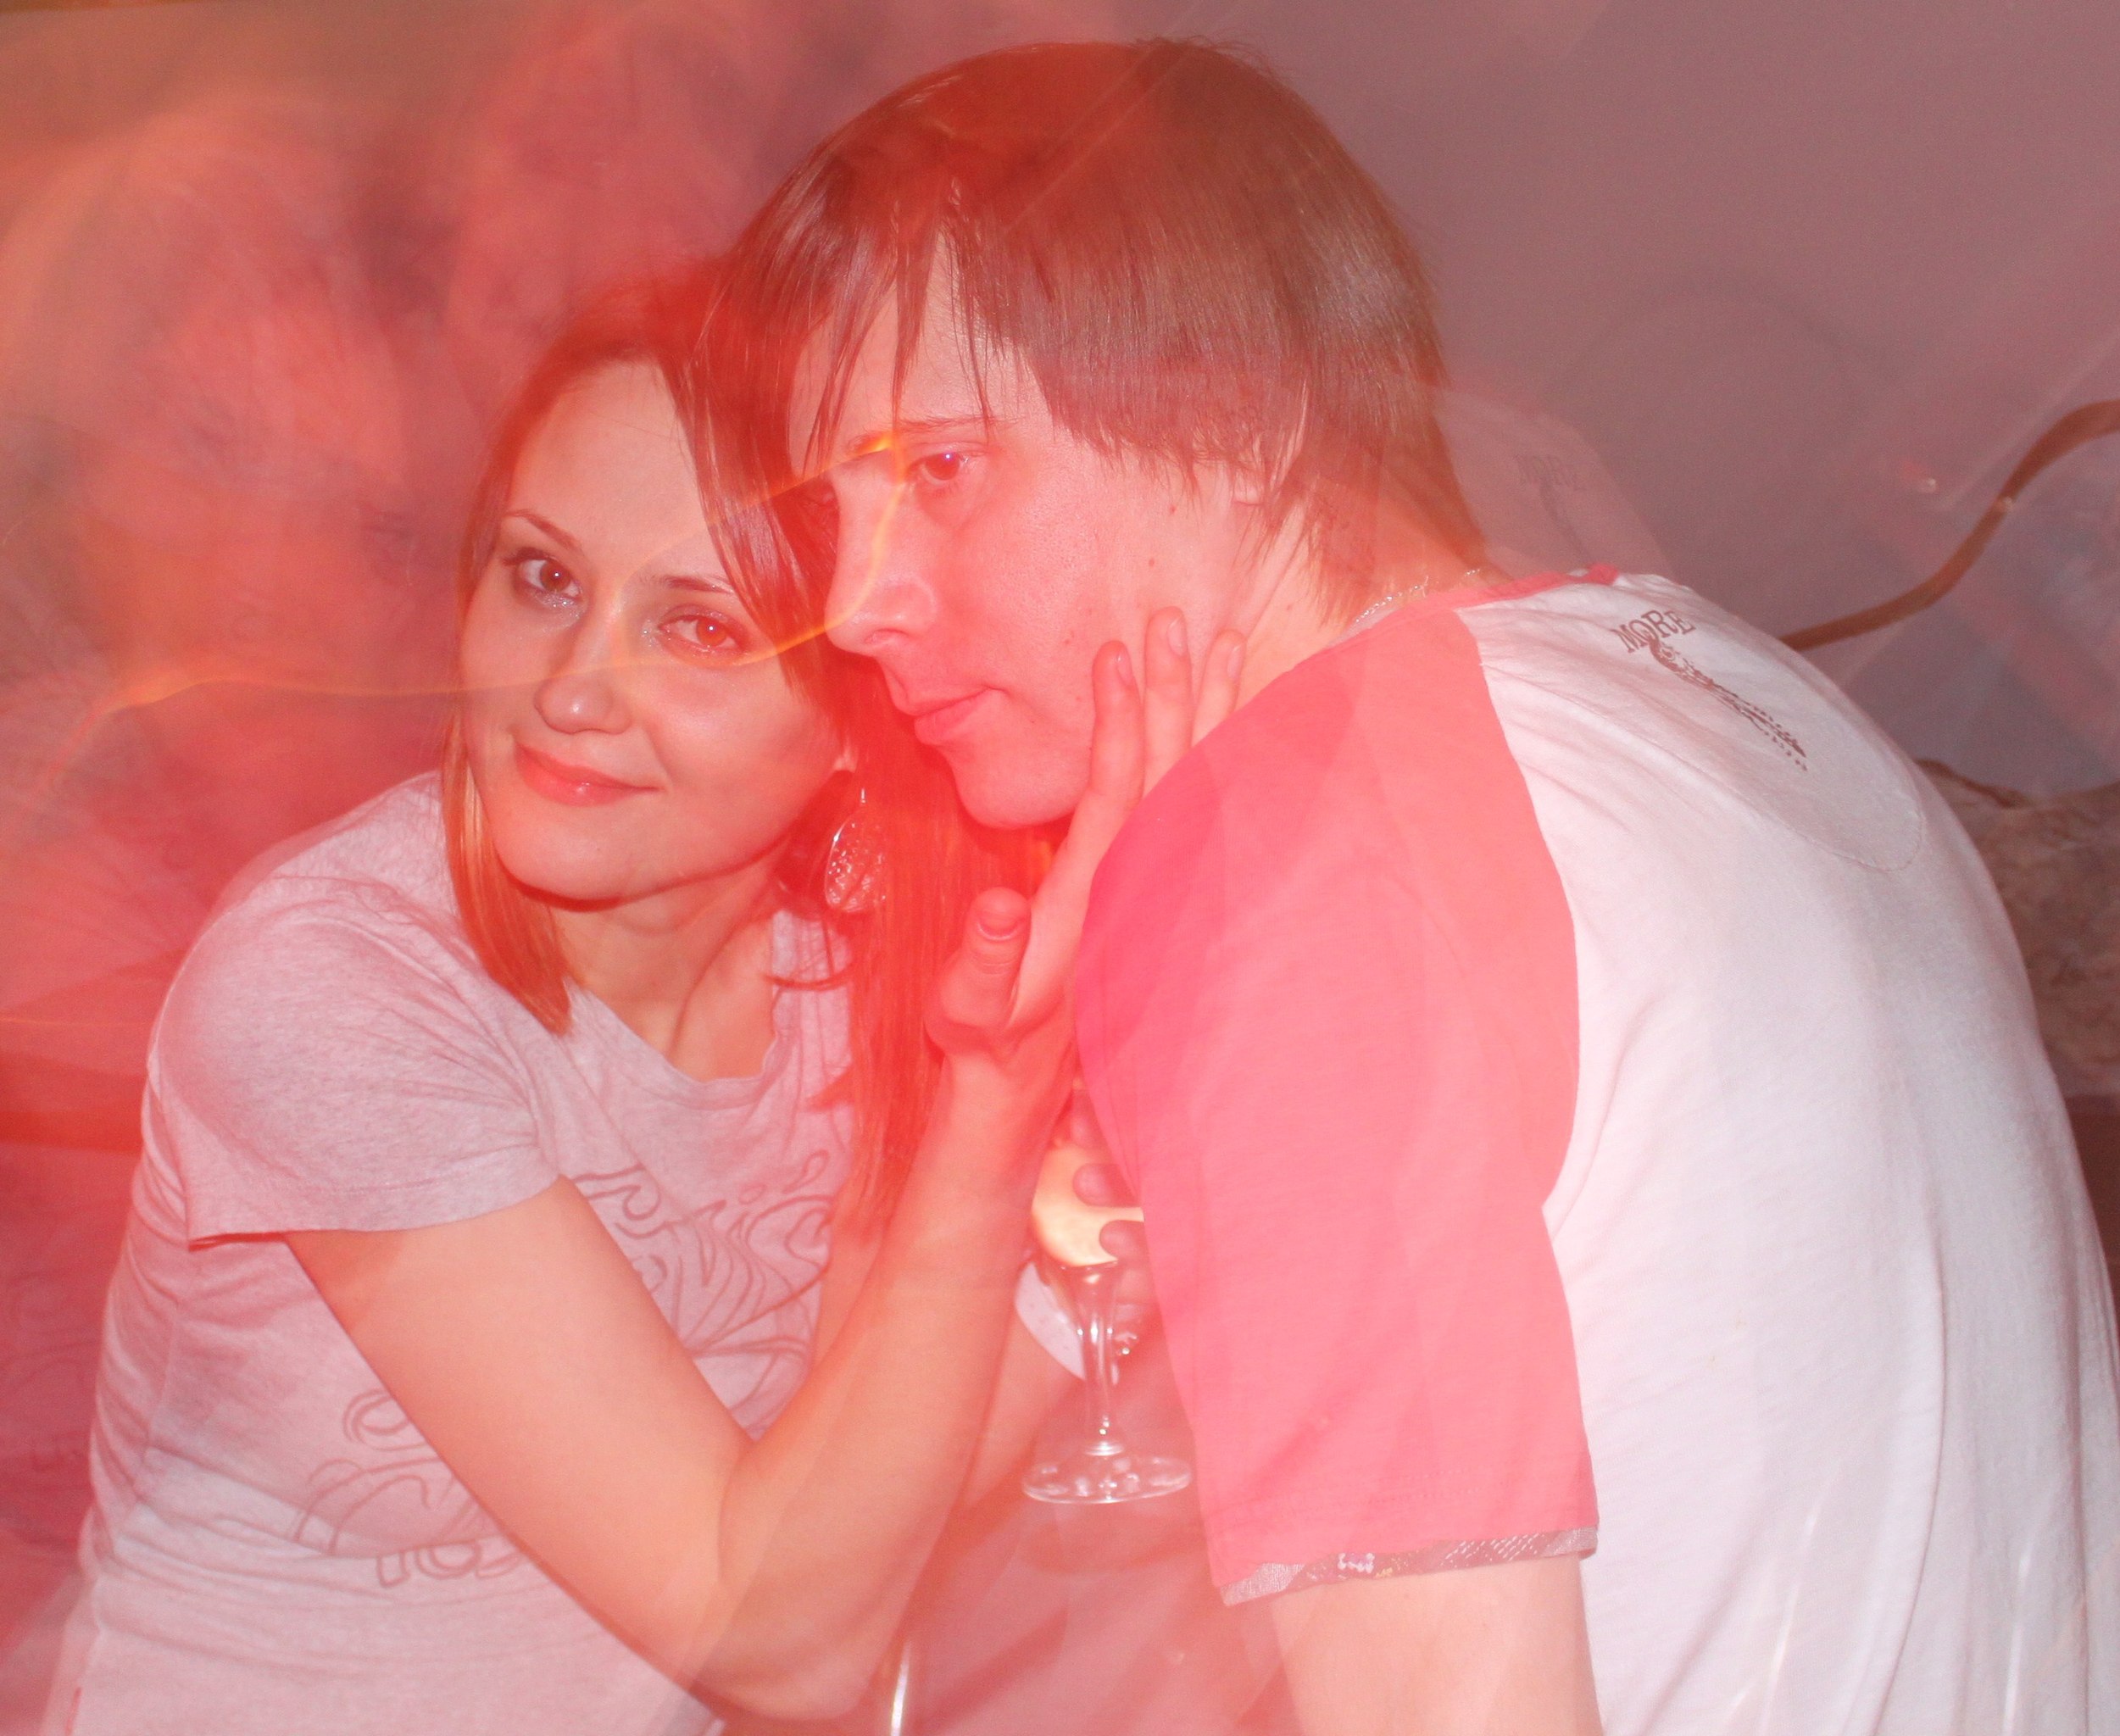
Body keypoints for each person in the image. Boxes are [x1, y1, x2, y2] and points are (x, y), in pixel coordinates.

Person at [716, 37, 2120, 1736]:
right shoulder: (1720, 676)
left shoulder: (1292, 848)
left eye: (940, 469)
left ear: (1240, 414)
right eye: (833, 509)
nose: (856, 604)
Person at [39, 270, 1194, 1736]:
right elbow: (776, 1643)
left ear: (863, 710)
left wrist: (1095, 1229)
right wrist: (994, 1120)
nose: (572, 691)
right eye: (544, 579)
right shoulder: (333, 984)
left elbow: (863, 1523)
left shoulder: (862, 990)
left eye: (699, 628)